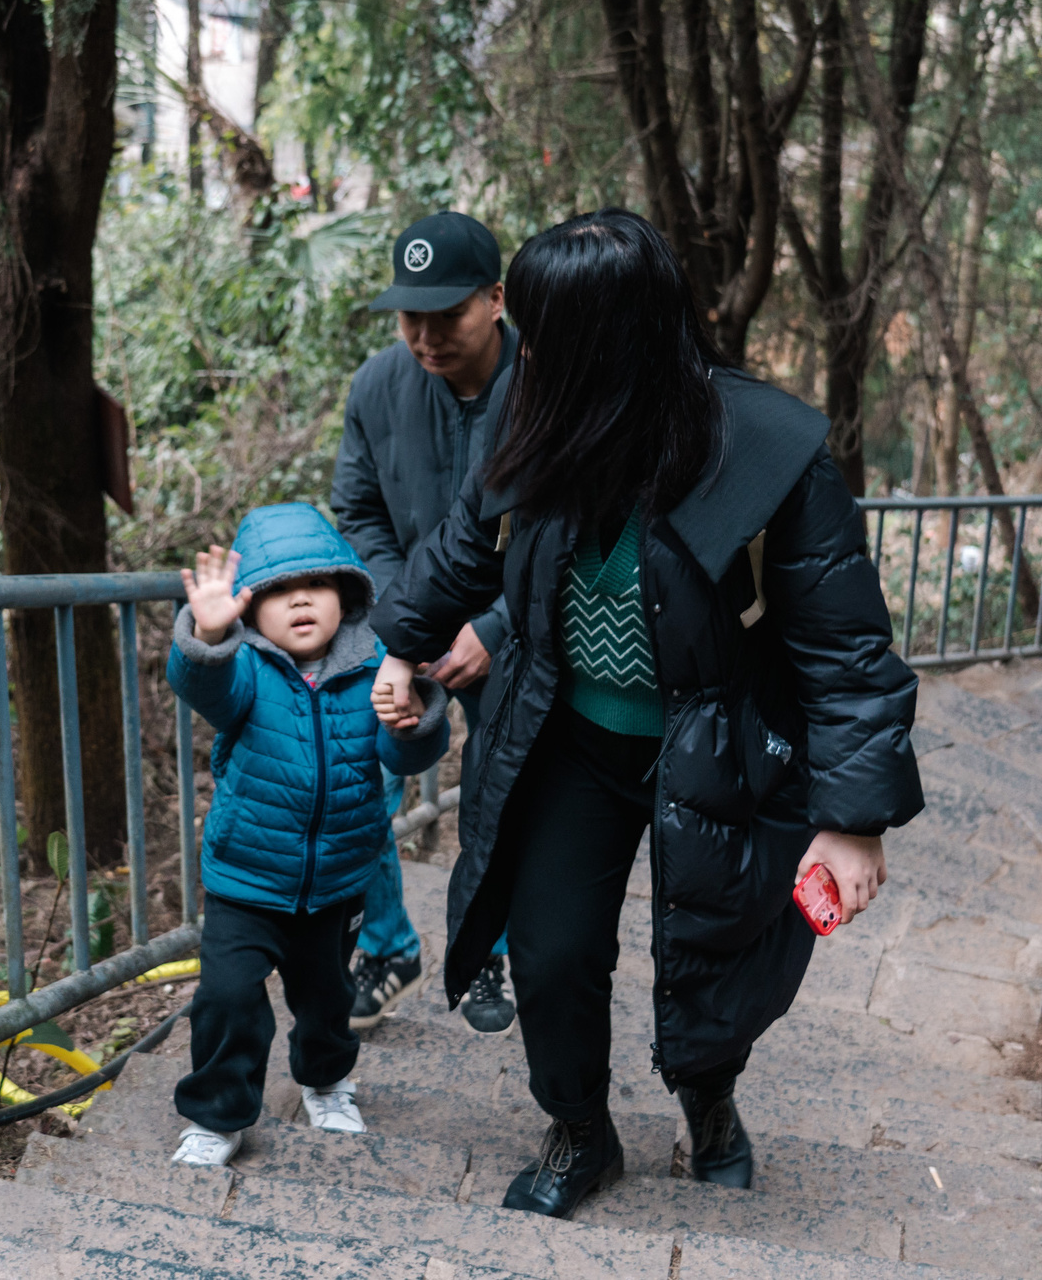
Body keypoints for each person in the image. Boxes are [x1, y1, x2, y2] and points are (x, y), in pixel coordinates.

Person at [370, 210, 923, 1218]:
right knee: (552, 947)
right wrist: (401, 641)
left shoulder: (765, 450)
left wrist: (853, 817)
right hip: (569, 732)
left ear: (605, 340)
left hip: (709, 738)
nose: (523, 352)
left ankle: (709, 1099)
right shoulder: (536, 411)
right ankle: (579, 1131)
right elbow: (464, 540)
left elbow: (842, 644)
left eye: (541, 332)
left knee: (712, 945)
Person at [166, 503, 450, 1167]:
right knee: (229, 998)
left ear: (345, 595)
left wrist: (414, 719)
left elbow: (405, 757)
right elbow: (207, 689)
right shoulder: (248, 671)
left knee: (327, 999)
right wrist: (208, 639)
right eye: (277, 592)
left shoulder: (376, 662)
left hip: (339, 879)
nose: (300, 601)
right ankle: (219, 1115)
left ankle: (326, 1082)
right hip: (246, 877)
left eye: (317, 586)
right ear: (251, 610)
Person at [330, 211, 518, 1032]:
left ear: (497, 301)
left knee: (501, 792)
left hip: (519, 631)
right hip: (403, 621)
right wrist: (404, 619)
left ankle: (489, 951)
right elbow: (360, 509)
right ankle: (389, 944)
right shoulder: (377, 387)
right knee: (353, 772)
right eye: (412, 317)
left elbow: (583, 531)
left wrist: (500, 624)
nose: (427, 335)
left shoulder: (545, 388)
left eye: (448, 315)